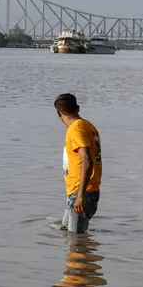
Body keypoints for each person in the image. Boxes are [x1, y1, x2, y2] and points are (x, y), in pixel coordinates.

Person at [54, 93, 102, 233]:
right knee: (67, 233)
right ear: (78, 108)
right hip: (81, 191)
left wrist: (80, 196)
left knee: (76, 244)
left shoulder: (75, 129)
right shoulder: (87, 125)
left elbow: (87, 160)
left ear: (58, 113)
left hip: (82, 192)